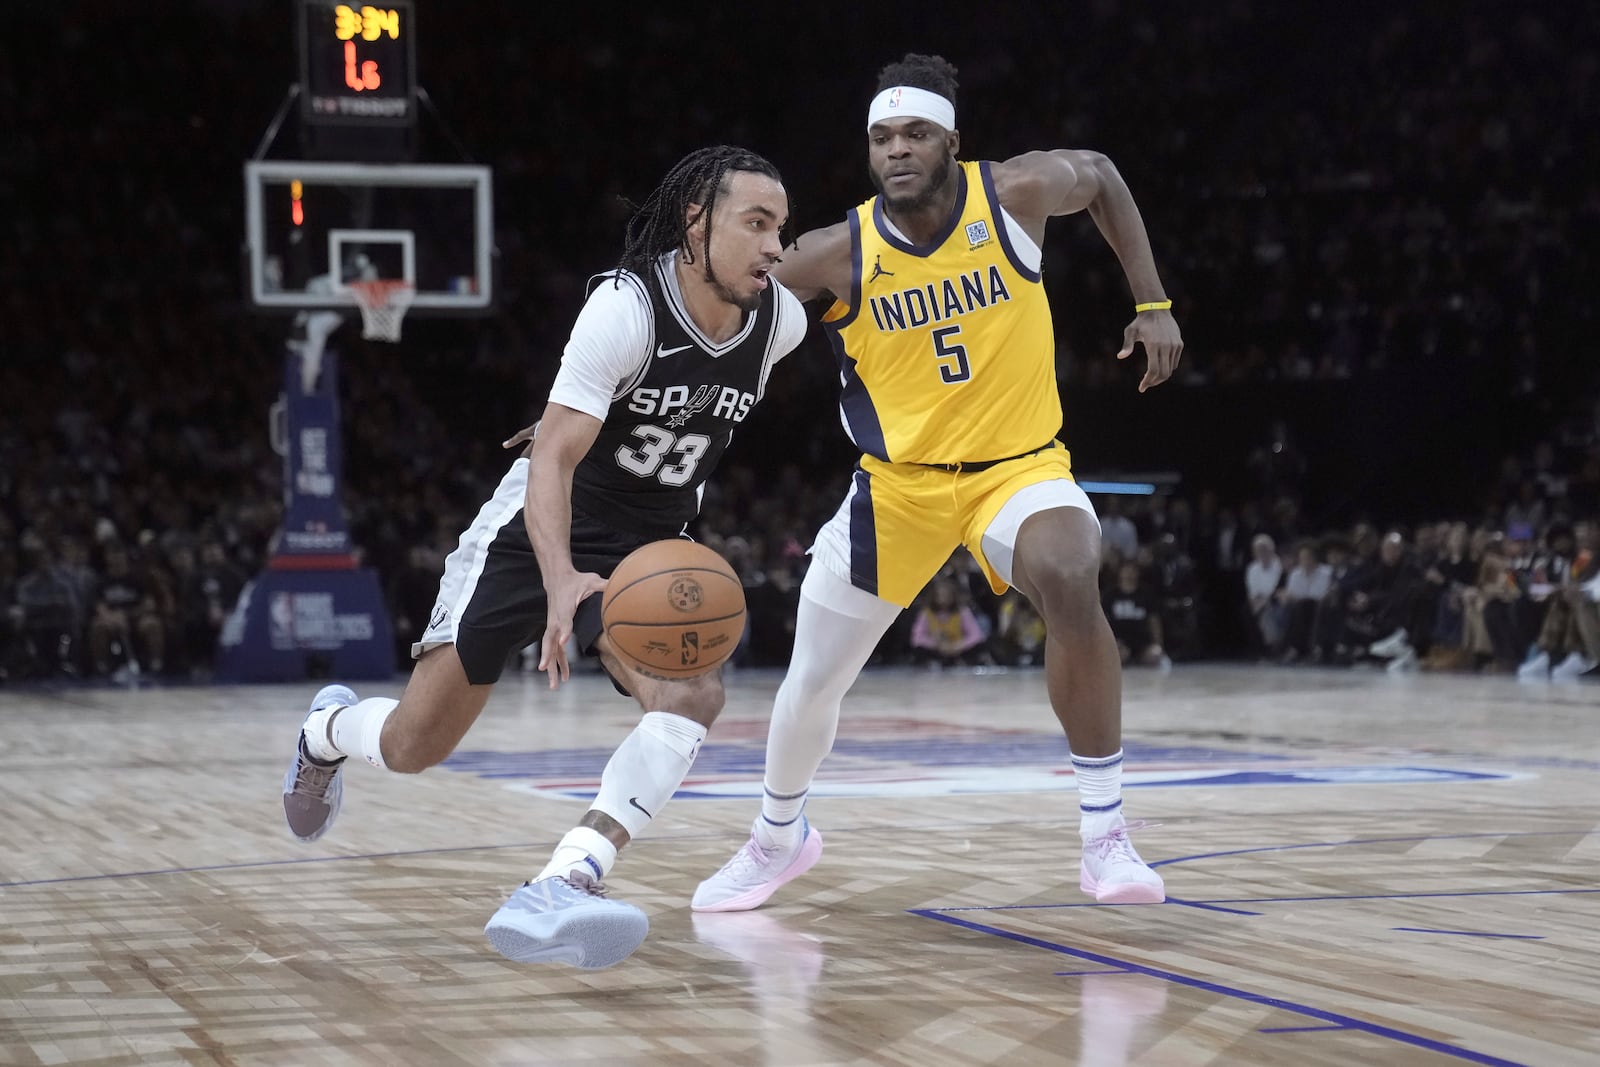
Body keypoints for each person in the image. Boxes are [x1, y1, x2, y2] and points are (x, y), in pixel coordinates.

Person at [280, 146, 807, 969]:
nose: (777, 245)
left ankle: (566, 879)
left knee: (693, 691)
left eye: (782, 226)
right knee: (416, 745)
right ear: (695, 225)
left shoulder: (781, 321)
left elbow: (850, 255)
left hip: (651, 543)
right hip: (536, 532)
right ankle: (328, 730)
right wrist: (561, 579)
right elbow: (554, 461)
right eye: (757, 223)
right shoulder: (627, 309)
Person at [691, 54, 1183, 914]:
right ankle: (778, 837)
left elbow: (1101, 175)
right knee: (814, 680)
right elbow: (709, 305)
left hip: (1017, 469)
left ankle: (1105, 835)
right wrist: (591, 402)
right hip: (898, 489)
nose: (896, 151)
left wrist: (1152, 303)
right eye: (882, 138)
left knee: (1070, 573)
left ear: (953, 141)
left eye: (915, 134)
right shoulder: (832, 255)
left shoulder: (1015, 196)